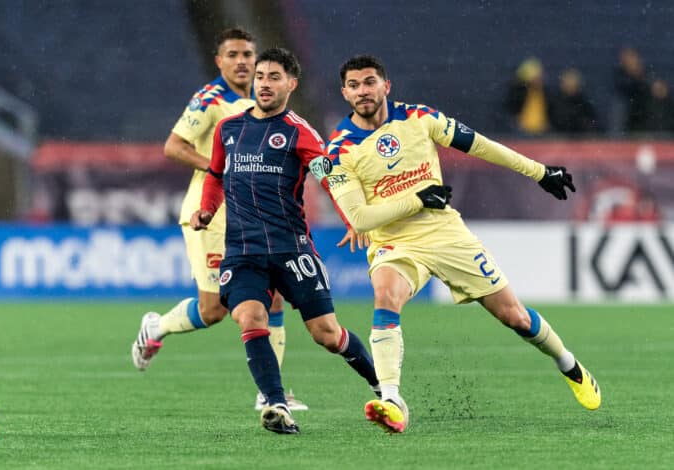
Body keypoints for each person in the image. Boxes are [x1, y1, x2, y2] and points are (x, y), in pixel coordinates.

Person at [325, 55, 601, 433]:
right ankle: (391, 399)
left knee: (514, 316)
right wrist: (419, 198)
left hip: (446, 234)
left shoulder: (419, 118)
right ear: (344, 93)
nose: (362, 91)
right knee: (385, 295)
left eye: (369, 82)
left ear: (386, 85)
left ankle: (569, 365)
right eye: (354, 85)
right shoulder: (339, 150)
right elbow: (359, 219)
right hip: (396, 242)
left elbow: (480, 145)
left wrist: (538, 172)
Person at [190, 47, 380, 434]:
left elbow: (330, 178)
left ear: (291, 84)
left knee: (327, 334)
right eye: (260, 76)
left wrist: (352, 220)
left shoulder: (299, 132)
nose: (263, 83)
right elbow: (214, 175)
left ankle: (383, 386)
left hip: (290, 248)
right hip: (243, 251)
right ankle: (276, 405)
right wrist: (207, 209)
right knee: (249, 315)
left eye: (274, 77)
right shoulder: (229, 129)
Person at [130, 28, 307, 411]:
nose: (242, 61)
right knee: (214, 309)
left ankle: (271, 394)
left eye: (248, 54)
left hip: (251, 215)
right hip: (210, 216)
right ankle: (156, 327)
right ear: (219, 61)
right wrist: (220, 170)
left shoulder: (261, 102)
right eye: (233, 54)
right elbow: (173, 146)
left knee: (273, 297)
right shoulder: (210, 100)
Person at [504, 57, 550, 135]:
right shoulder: (519, 92)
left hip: (542, 132)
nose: (538, 79)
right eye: (535, 77)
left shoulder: (544, 92)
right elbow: (512, 109)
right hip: (522, 132)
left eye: (539, 76)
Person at [549, 68, 600, 134]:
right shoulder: (555, 102)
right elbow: (551, 123)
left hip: (580, 139)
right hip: (557, 139)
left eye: (573, 84)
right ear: (562, 84)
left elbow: (591, 123)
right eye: (568, 84)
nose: (570, 87)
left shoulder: (584, 103)